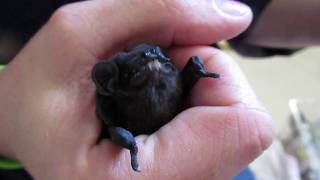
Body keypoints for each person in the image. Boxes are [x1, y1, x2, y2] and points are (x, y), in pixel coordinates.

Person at [0, 0, 273, 179]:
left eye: (156, 59)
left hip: (184, 116)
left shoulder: (166, 68)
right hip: (69, 143)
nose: (151, 65)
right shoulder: (116, 92)